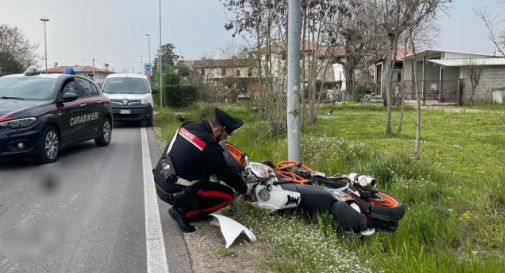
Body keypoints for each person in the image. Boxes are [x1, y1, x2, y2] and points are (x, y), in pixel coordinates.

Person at [153, 107, 251, 232]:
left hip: (160, 178)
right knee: (227, 195)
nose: (225, 139)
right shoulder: (209, 145)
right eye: (225, 135)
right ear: (217, 130)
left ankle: (185, 203)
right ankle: (182, 212)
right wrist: (244, 189)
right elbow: (225, 174)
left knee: (208, 178)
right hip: (172, 191)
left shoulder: (189, 127)